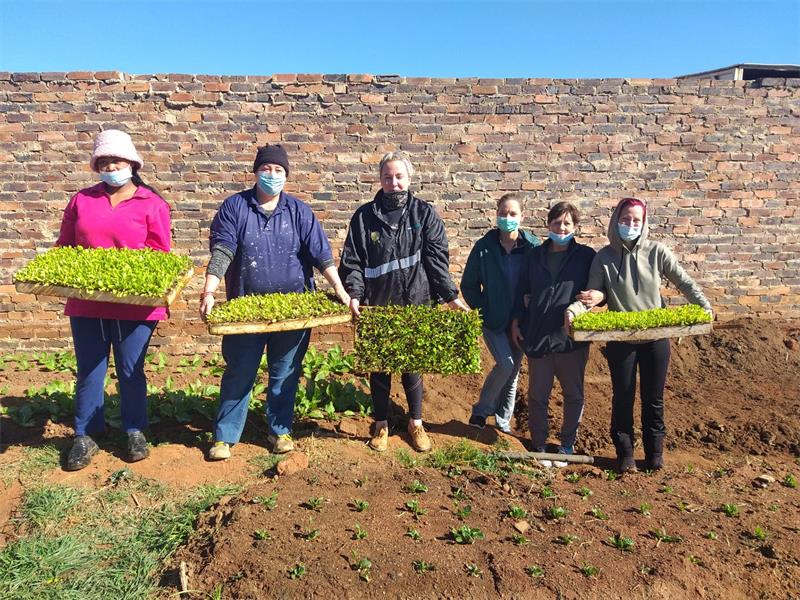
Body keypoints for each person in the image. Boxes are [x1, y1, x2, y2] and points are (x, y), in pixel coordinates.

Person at [200, 144, 350, 460]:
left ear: (286, 175)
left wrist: (339, 288)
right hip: (246, 310)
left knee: (285, 373)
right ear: (256, 172)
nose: (272, 175)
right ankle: (225, 436)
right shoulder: (235, 207)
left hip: (294, 310)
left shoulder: (299, 211)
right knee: (239, 372)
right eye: (266, 169)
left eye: (278, 170)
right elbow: (223, 250)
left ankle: (280, 430)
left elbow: (321, 254)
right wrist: (209, 291)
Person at [566, 197, 712, 473]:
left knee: (653, 398)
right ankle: (625, 455)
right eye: (625, 219)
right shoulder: (604, 257)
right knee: (623, 397)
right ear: (616, 220)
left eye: (636, 220)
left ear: (644, 223)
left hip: (655, 340)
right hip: (621, 342)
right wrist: (574, 310)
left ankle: (655, 453)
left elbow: (683, 281)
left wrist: (704, 307)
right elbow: (593, 294)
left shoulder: (657, 252)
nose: (630, 224)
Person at [56, 129, 171, 471]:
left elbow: (160, 254)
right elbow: (65, 248)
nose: (110, 167)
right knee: (89, 369)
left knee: (131, 369)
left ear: (132, 163)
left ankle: (134, 430)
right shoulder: (82, 200)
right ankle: (86, 434)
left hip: (135, 305)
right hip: (87, 303)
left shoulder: (151, 203)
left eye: (116, 161)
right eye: (103, 162)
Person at [339, 151, 468, 453]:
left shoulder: (424, 214)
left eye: (399, 176)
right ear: (380, 180)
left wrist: (450, 296)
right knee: (379, 367)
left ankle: (416, 423)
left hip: (416, 301)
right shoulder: (364, 217)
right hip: (377, 304)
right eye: (388, 177)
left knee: (412, 366)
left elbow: (436, 260)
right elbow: (352, 262)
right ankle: (381, 424)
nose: (393, 182)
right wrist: (355, 294)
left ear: (409, 179)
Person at [511, 202, 595, 467]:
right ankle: (539, 445)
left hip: (571, 339)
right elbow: (522, 290)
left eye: (567, 223)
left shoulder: (586, 257)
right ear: (548, 224)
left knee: (573, 395)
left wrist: (591, 301)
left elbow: (595, 293)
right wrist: (517, 321)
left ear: (575, 227)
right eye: (557, 223)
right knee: (538, 395)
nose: (561, 228)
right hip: (538, 335)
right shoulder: (535, 256)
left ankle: (567, 445)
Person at [461, 193, 540, 434]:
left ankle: (503, 422)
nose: (507, 218)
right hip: (493, 320)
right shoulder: (484, 248)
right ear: (496, 215)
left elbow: (539, 282)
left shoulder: (533, 248)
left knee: (513, 372)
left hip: (522, 321)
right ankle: (481, 411)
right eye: (503, 213)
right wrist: (483, 309)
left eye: (513, 213)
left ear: (522, 217)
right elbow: (469, 285)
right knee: (505, 365)